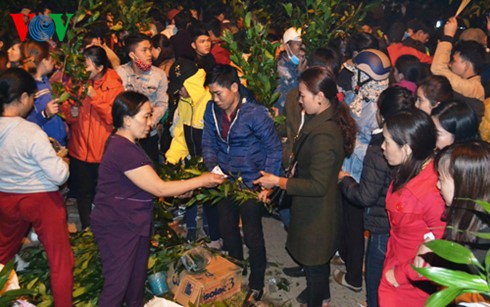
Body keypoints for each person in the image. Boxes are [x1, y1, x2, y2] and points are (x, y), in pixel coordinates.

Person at [91, 90, 224, 306]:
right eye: (145, 116)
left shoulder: (130, 144)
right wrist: (203, 180)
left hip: (135, 223)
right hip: (118, 226)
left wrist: (179, 189)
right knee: (117, 286)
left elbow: (147, 182)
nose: (150, 123)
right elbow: (158, 188)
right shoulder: (121, 149)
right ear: (126, 119)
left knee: (135, 282)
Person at [254, 66, 357, 307]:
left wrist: (278, 181)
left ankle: (319, 300)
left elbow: (319, 185)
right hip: (311, 207)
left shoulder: (325, 135)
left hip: (318, 213)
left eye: (302, 95)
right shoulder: (321, 117)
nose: (299, 101)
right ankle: (321, 296)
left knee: (316, 267)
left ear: (319, 97)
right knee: (314, 265)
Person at [201, 65, 282, 306]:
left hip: (251, 182)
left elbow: (274, 148)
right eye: (212, 94)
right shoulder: (211, 110)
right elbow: (208, 139)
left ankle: (256, 282)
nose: (215, 99)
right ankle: (236, 268)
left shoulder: (254, 113)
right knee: (227, 228)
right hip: (225, 180)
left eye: (219, 93)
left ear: (234, 88)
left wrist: (268, 184)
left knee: (253, 234)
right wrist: (212, 166)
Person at [0, 68, 73, 307]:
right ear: (22, 98)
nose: (32, 102)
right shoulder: (30, 132)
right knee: (60, 260)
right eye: (31, 97)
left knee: (2, 254)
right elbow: (58, 175)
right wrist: (62, 161)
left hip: (6, 198)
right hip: (41, 200)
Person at [337, 86, 415, 307]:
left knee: (376, 283)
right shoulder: (413, 137)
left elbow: (366, 196)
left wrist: (345, 180)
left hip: (382, 226)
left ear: (381, 113)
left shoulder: (380, 147)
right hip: (401, 225)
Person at [378, 109, 446, 306]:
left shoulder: (432, 192)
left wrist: (399, 275)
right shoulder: (412, 168)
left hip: (410, 281)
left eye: (387, 141)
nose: (382, 147)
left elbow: (441, 247)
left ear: (407, 149)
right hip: (396, 259)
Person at [415, 141, 490, 304]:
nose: (437, 184)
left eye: (441, 178)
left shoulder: (482, 240)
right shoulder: (468, 218)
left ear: (465, 184)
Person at [61, 46, 124, 229]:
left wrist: (95, 97)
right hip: (79, 148)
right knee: (83, 193)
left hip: (102, 150)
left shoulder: (114, 85)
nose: (83, 70)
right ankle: (87, 230)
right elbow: (67, 109)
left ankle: (105, 227)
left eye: (86, 66)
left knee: (104, 193)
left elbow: (113, 118)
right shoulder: (77, 82)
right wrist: (71, 113)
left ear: (99, 68)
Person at [165, 58, 220, 245]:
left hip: (212, 163)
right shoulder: (184, 102)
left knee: (212, 203)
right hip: (192, 160)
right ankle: (191, 230)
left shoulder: (210, 103)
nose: (179, 92)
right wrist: (171, 160)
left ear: (192, 83)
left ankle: (213, 233)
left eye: (181, 87)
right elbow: (180, 134)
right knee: (188, 193)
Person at [22, 40, 67, 146]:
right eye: (52, 57)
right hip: (42, 146)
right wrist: (45, 114)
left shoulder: (45, 80)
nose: (54, 61)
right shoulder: (28, 87)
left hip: (58, 144)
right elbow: (23, 124)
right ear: (44, 61)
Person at [431, 17, 485, 102]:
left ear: (466, 66)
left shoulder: (474, 89)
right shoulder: (469, 84)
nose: (449, 64)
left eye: (453, 61)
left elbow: (438, 69)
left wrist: (448, 37)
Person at [274, 27, 305, 114]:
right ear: (286, 47)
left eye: (302, 45)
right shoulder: (280, 70)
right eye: (298, 44)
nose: (301, 49)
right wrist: (300, 75)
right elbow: (285, 101)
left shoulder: (303, 64)